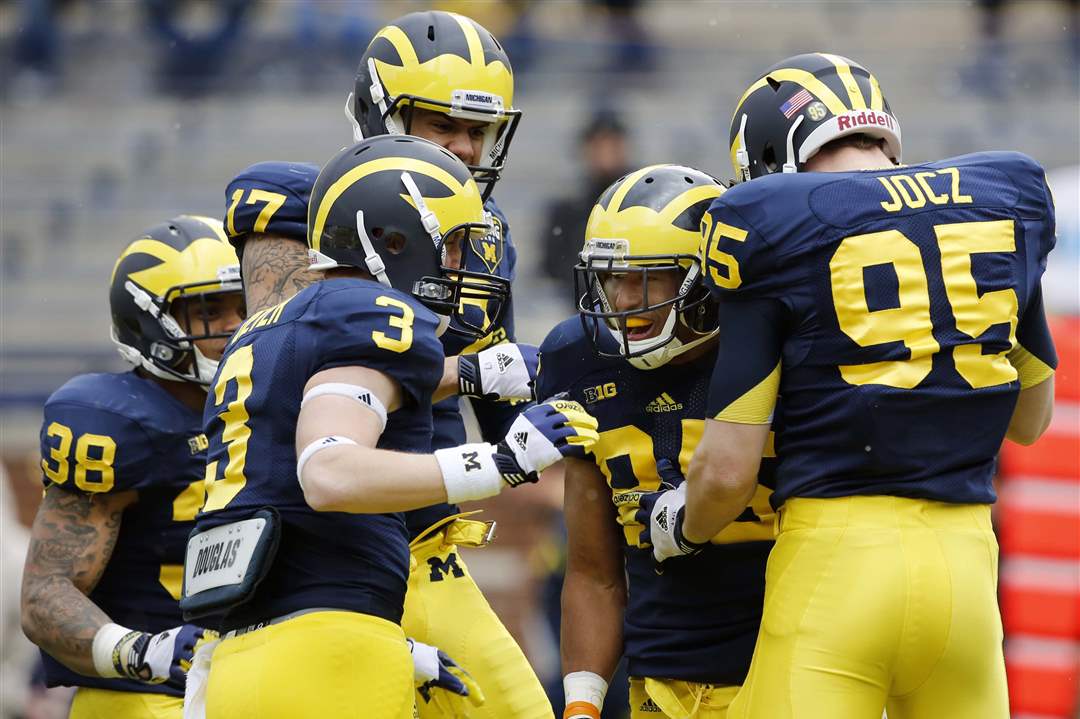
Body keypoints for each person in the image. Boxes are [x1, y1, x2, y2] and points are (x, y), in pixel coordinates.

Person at [645, 53, 1058, 718]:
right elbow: (1031, 421)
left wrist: (681, 525)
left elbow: (725, 473)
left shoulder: (766, 219)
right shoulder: (998, 200)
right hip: (967, 574)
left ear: (769, 157)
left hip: (837, 566)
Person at [187, 135, 597, 719]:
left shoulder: (265, 331)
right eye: (451, 245)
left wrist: (470, 372)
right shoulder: (368, 313)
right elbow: (328, 469)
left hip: (241, 658)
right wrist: (497, 463)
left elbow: (334, 404)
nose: (460, 265)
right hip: (331, 651)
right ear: (394, 240)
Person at [346, 12, 556, 718]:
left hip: (426, 539)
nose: (465, 148)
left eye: (478, 130)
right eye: (443, 125)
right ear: (383, 116)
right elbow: (297, 377)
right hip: (318, 542)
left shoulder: (485, 239)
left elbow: (507, 417)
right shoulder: (313, 215)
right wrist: (467, 373)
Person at [535, 165, 778, 719]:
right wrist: (582, 706)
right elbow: (593, 571)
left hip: (791, 666)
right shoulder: (578, 359)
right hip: (662, 677)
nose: (621, 300)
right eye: (610, 278)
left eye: (645, 278)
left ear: (705, 281)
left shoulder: (775, 346)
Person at [21, 216, 245, 718]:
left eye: (243, 306)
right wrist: (139, 652)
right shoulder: (120, 422)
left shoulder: (259, 406)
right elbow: (44, 595)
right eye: (209, 310)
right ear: (151, 322)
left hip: (242, 683)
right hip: (148, 695)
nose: (234, 325)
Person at [540, 109, 631, 307]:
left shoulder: (643, 207)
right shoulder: (566, 212)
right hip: (580, 307)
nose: (606, 153)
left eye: (612, 144)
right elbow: (551, 272)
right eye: (599, 144)